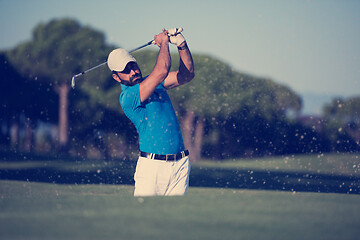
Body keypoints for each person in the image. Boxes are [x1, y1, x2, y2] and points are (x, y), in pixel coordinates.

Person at [107, 28, 195, 196]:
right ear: (116, 77)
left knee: (173, 220)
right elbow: (161, 70)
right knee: (142, 220)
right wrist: (163, 43)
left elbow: (187, 75)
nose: (133, 71)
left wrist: (181, 44)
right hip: (152, 168)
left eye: (133, 65)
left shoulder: (154, 83)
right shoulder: (128, 97)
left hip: (181, 164)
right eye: (126, 70)